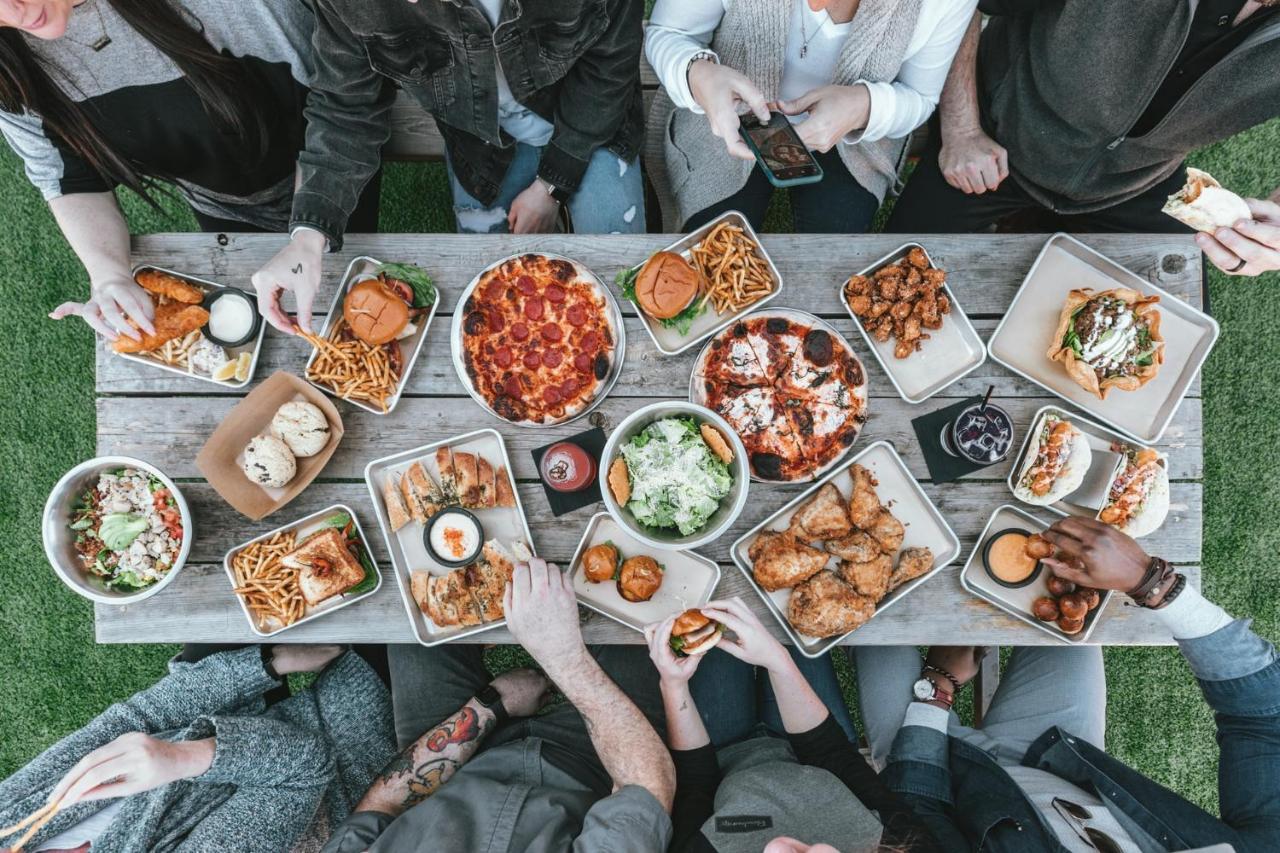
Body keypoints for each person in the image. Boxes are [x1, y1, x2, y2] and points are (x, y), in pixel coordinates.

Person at [855, 517, 1280, 852]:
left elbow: (918, 811)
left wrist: (938, 688)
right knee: (1063, 587)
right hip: (1057, 755)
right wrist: (1148, 581)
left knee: (863, 613)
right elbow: (1264, 720)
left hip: (938, 776)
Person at [251, 0, 647, 335]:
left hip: (591, 123)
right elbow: (345, 109)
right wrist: (307, 237)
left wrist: (551, 186)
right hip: (483, 148)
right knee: (491, 312)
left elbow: (610, 66)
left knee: (626, 289)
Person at [0, 0, 380, 343]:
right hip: (218, 201)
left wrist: (309, 233)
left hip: (329, 173)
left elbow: (339, 106)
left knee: (350, 307)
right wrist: (108, 274)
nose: (14, 13)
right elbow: (68, 175)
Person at [885, 2, 1280, 278]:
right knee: (890, 275)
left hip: (1139, 179)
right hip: (998, 134)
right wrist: (961, 128)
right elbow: (962, 4)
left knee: (1160, 339)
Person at [321, 557, 676, 852]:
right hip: (593, 767)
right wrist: (563, 656)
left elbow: (383, 806)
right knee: (644, 612)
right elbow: (645, 788)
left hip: (448, 766)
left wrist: (491, 705)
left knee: (417, 595)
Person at [0, 644, 395, 853]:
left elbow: (138, 718)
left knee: (241, 568)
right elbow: (305, 766)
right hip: (342, 739)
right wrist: (177, 758)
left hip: (239, 716)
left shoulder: (8, 823)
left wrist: (265, 664)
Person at [643, 0, 978, 234]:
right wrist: (699, 75)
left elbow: (919, 96)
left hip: (854, 140)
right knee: (711, 255)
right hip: (727, 117)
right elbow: (670, 34)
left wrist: (863, 106)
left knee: (834, 257)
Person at [645, 597, 940, 853]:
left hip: (720, 754)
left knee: (706, 602)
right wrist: (777, 660)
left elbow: (695, 784)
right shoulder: (906, 845)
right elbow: (831, 753)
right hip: (814, 751)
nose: (777, 846)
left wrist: (674, 685)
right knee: (795, 610)